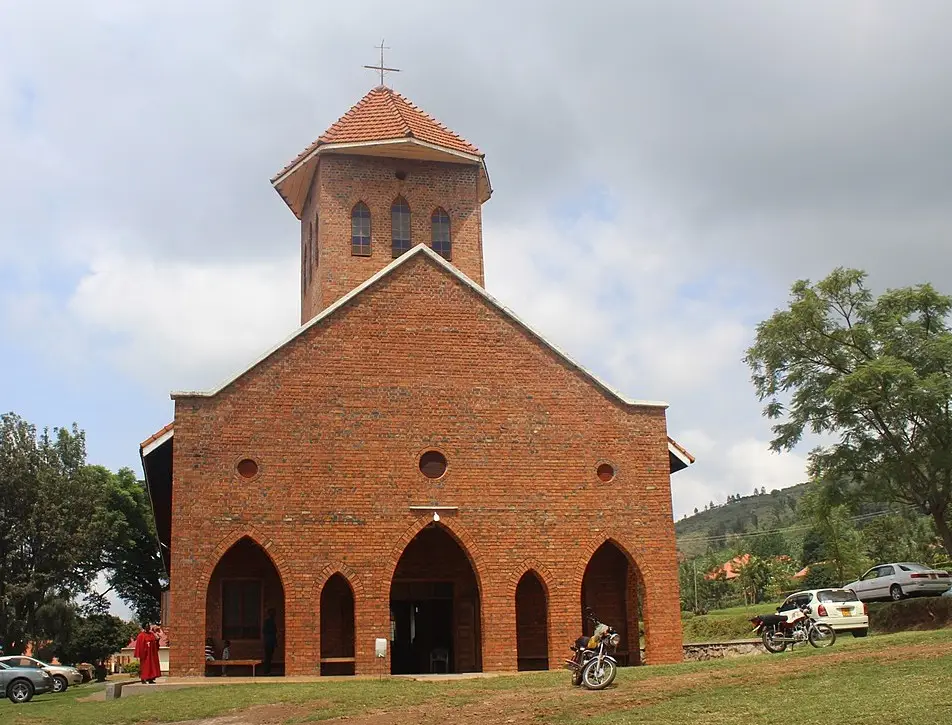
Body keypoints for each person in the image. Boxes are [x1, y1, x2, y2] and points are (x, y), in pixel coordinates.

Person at [262, 608, 277, 675]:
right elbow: (265, 631)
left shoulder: (272, 621)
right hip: (269, 642)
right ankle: (266, 670)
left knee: (269, 656)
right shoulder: (268, 621)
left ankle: (267, 670)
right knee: (268, 656)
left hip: (271, 641)